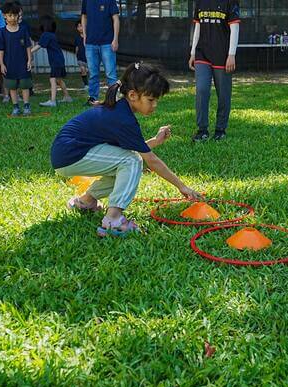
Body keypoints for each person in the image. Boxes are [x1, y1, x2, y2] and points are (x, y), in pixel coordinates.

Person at [50, 62, 202, 237]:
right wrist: (182, 187)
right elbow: (149, 160)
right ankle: (113, 220)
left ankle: (85, 202)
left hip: (66, 155)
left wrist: (155, 141)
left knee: (126, 162)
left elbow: (129, 151)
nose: (154, 105)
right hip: (71, 155)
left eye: (156, 100)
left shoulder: (119, 110)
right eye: (151, 100)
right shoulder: (123, 118)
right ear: (132, 95)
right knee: (131, 161)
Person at [189, 0, 240, 142]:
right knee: (202, 90)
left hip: (222, 55)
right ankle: (202, 130)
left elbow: (234, 28)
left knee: (223, 94)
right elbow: (198, 27)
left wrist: (231, 55)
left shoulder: (231, 2)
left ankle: (220, 130)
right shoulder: (200, 2)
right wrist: (193, 52)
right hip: (202, 53)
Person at [0, 1, 33, 116]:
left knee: (25, 85)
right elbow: (0, 50)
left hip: (22, 63)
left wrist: (29, 60)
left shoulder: (23, 30)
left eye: (15, 15)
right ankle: (16, 107)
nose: (13, 18)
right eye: (10, 15)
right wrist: (2, 64)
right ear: (4, 16)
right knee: (12, 87)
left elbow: (28, 45)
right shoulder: (2, 32)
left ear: (19, 15)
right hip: (9, 63)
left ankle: (26, 106)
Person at [81, 0, 120, 106]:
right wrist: (84, 35)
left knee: (111, 74)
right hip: (90, 43)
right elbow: (84, 16)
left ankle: (114, 99)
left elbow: (116, 19)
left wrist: (115, 39)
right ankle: (92, 98)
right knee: (93, 74)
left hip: (107, 43)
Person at [31, 15, 72, 107]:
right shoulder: (52, 35)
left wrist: (28, 52)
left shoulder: (46, 35)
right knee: (59, 80)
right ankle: (67, 97)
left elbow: (39, 46)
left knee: (52, 79)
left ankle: (52, 101)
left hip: (56, 60)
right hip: (59, 59)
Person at [74, 20, 89, 91]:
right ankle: (86, 84)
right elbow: (76, 47)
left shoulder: (89, 35)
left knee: (92, 71)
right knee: (83, 70)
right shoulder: (76, 37)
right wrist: (76, 55)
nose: (80, 28)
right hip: (80, 57)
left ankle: (92, 84)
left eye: (81, 26)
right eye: (78, 27)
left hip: (88, 57)